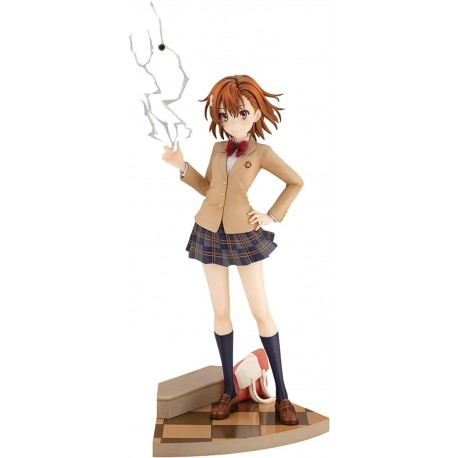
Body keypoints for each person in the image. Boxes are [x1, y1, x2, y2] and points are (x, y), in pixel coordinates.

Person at [162, 75, 304, 425]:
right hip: (209, 231)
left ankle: (283, 395)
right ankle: (228, 389)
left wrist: (271, 215)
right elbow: (209, 189)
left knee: (261, 311)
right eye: (224, 115)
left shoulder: (261, 152)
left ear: (256, 113)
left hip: (244, 234)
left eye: (240, 113)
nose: (232, 122)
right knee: (221, 312)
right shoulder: (217, 149)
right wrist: (182, 166)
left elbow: (295, 181)